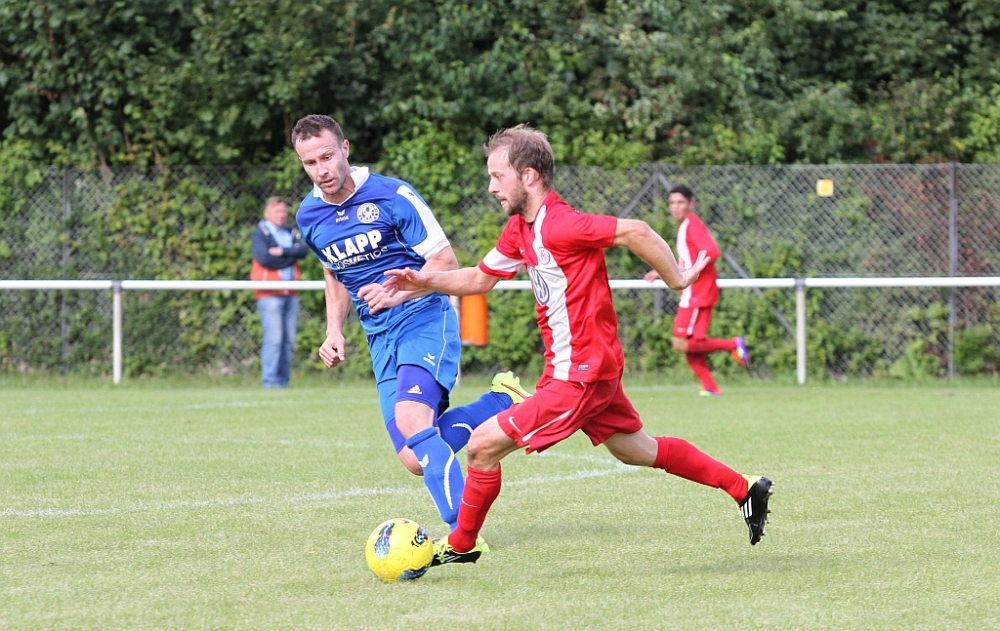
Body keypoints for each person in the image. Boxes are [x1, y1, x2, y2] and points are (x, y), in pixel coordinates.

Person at [383, 124, 773, 567]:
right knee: (637, 449)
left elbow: (637, 231)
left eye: (497, 176)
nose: (491, 187)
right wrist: (421, 281)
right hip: (584, 369)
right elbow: (479, 278)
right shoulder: (520, 229)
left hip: (580, 375)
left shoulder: (561, 223)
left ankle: (462, 543)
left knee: (482, 446)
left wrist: (678, 279)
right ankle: (744, 487)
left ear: (528, 175)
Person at [290, 114, 529, 533]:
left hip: (423, 316)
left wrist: (398, 292)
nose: (321, 170)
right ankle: (500, 402)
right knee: (413, 458)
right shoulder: (309, 215)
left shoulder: (393, 195)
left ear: (345, 149)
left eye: (327, 157)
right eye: (310, 163)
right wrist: (334, 330)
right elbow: (334, 272)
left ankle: (461, 536)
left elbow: (445, 262)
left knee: (414, 422)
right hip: (379, 335)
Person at [643, 185, 749, 396]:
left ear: (691, 204)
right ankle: (710, 386)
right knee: (691, 343)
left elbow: (712, 251)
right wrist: (662, 271)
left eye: (680, 202)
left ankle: (733, 344)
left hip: (697, 293)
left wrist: (691, 272)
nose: (675, 207)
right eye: (672, 202)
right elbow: (690, 260)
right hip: (697, 292)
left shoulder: (692, 224)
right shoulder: (685, 226)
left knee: (680, 342)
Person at [251, 196, 310, 389]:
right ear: (267, 213)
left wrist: (282, 251)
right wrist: (290, 254)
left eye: (284, 211)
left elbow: (302, 251)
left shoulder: (289, 232)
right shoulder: (261, 233)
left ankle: (283, 383)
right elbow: (265, 258)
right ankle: (270, 382)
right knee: (274, 340)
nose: (282, 215)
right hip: (270, 293)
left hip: (290, 292)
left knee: (288, 341)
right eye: (277, 211)